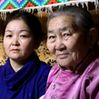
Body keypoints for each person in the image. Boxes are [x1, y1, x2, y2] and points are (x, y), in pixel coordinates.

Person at [43, 6, 99, 99]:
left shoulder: (95, 76)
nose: (58, 46)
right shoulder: (55, 70)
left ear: (91, 37)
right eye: (52, 37)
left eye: (66, 34)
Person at [0, 10, 51, 99]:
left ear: (36, 42)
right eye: (9, 35)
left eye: (23, 36)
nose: (14, 42)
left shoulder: (47, 75)